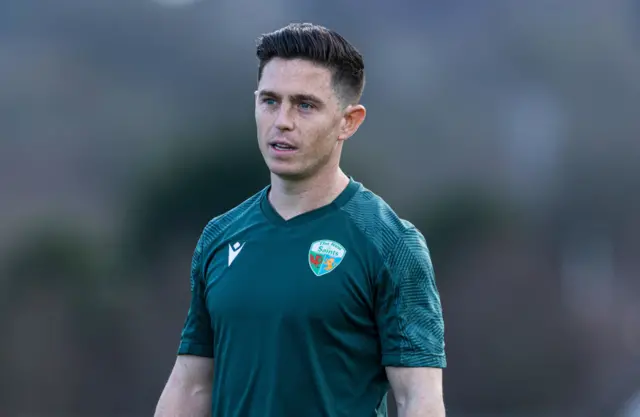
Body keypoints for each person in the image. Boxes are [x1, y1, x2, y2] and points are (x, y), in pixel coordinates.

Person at [154, 22, 446, 417]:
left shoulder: (392, 245)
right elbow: (190, 387)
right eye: (270, 101)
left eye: (305, 105)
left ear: (349, 121)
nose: (282, 121)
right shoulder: (220, 236)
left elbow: (419, 399)